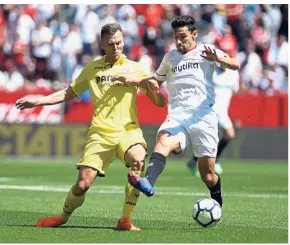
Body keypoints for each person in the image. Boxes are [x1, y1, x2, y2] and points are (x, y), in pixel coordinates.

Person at [15, 23, 165, 231]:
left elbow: (159, 102)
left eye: (119, 43)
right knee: (83, 184)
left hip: (128, 131)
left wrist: (153, 88)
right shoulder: (92, 69)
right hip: (100, 133)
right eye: (111, 44)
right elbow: (68, 93)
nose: (116, 47)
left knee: (138, 160)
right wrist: (39, 101)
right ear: (102, 44)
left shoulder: (135, 68)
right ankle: (62, 217)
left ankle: (125, 220)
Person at [114, 15, 240, 208]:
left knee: (207, 175)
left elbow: (235, 64)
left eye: (183, 36)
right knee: (163, 142)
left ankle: (217, 202)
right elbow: (155, 81)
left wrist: (218, 58)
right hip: (177, 116)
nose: (179, 41)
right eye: (176, 37)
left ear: (194, 34)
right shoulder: (170, 57)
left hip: (203, 117)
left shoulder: (206, 51)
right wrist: (132, 80)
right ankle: (148, 181)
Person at [187, 66, 240, 177]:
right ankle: (200, 162)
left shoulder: (234, 74)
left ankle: (197, 161)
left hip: (223, 111)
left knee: (230, 135)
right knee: (211, 139)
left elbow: (236, 90)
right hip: (211, 110)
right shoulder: (211, 71)